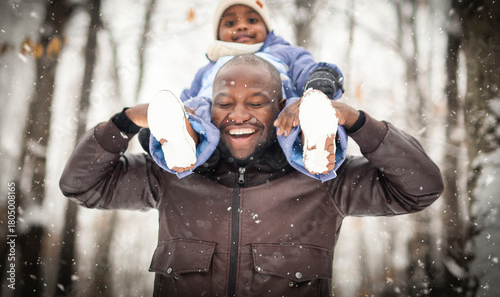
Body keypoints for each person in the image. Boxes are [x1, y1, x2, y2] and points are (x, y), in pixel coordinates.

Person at [60, 54, 444, 297]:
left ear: (282, 108)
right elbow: (82, 186)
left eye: (256, 103)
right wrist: (125, 122)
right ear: (207, 111)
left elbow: (420, 189)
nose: (239, 114)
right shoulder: (172, 177)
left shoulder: (325, 180)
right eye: (224, 103)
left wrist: (358, 122)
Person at [143, 0, 346, 181]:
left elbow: (309, 71)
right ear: (218, 33)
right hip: (219, 133)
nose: (241, 27)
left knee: (298, 109)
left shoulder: (284, 53)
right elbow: (187, 100)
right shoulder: (210, 68)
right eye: (230, 22)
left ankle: (315, 145)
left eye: (252, 20)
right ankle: (183, 142)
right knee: (199, 107)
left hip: (273, 128)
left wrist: (318, 87)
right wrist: (177, 115)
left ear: (268, 28)